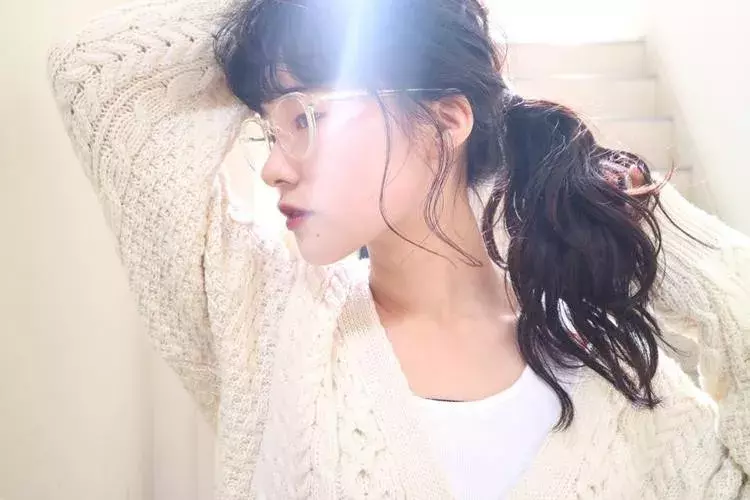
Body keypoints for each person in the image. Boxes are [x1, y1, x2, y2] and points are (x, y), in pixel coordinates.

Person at [48, 0, 749, 498]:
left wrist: (634, 227)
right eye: (269, 129)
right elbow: (96, 77)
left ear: (446, 120)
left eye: (306, 118)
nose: (274, 167)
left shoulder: (619, 375)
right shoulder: (268, 320)